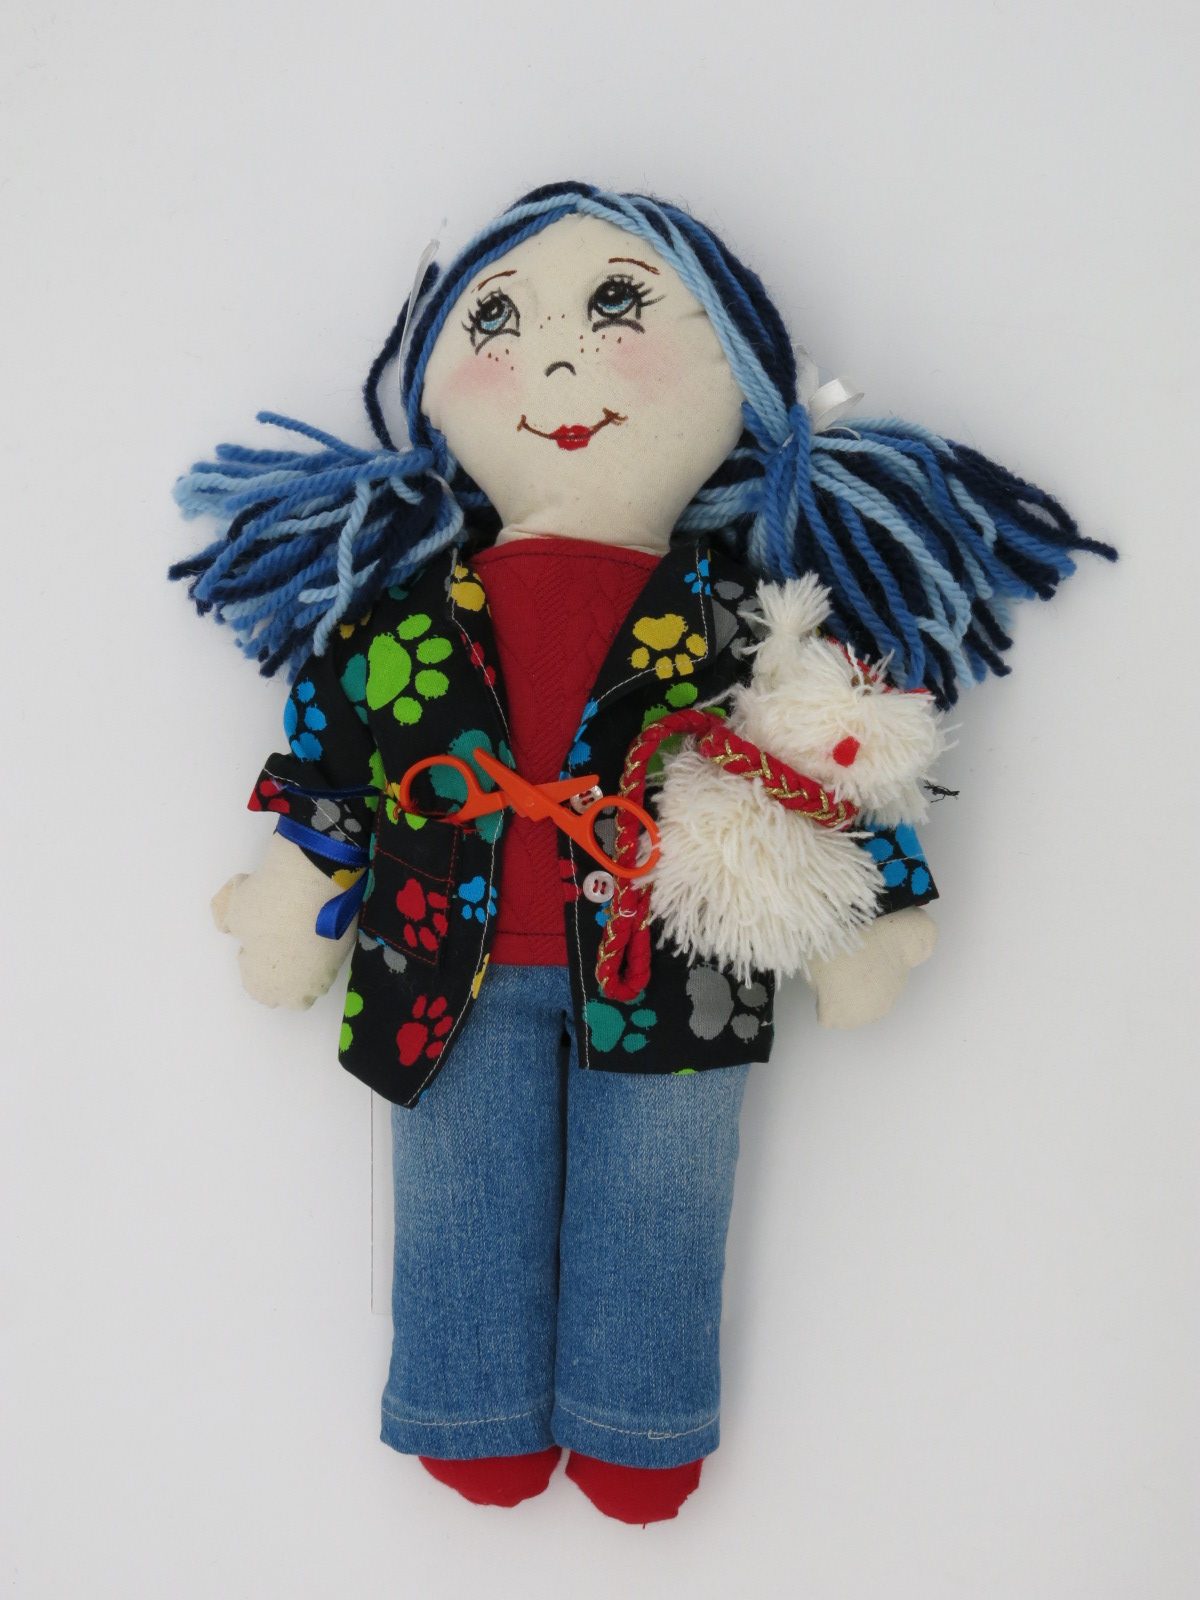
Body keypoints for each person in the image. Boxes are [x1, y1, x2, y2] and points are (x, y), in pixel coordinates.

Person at [173, 181, 1114, 1523]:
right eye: (502, 323)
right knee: (459, 1197)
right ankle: (468, 1401)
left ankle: (640, 1415)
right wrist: (299, 890)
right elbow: (338, 764)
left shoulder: (742, 615)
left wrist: (871, 912)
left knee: (660, 1206)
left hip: (680, 962)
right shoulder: (400, 617)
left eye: (618, 311)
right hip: (442, 963)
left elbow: (819, 750)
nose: (558, 363)